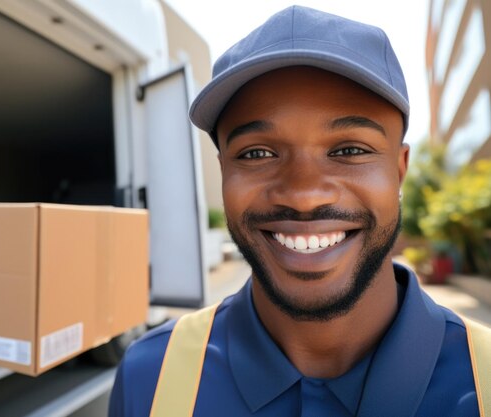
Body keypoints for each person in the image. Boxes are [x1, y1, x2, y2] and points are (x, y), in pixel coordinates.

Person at [109, 5, 485, 417]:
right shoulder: (151, 377)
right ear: (223, 172)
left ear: (399, 171)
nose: (304, 194)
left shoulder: (482, 378)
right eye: (256, 153)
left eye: (349, 150)